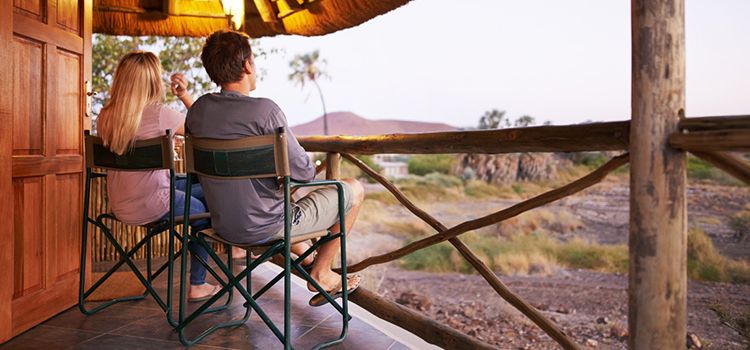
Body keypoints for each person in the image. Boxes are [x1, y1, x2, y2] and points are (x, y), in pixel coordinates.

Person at [186, 30, 365, 304]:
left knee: (274, 201)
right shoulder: (265, 111)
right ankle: (322, 271)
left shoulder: (198, 110)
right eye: (254, 61)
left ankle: (309, 258)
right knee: (353, 189)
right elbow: (304, 174)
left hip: (222, 225)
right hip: (268, 227)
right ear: (247, 64)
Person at [97, 51, 219, 302]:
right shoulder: (160, 114)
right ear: (153, 81)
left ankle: (216, 266)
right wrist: (184, 94)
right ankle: (197, 284)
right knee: (208, 209)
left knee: (203, 189)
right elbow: (207, 129)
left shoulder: (106, 116)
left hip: (121, 204)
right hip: (153, 203)